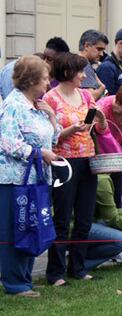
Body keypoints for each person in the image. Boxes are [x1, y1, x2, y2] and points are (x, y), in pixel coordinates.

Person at [43, 53, 104, 286]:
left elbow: (99, 130)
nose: (83, 76)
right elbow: (48, 137)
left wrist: (100, 121)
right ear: (67, 72)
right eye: (80, 71)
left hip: (88, 160)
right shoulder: (51, 98)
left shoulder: (86, 95)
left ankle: (77, 267)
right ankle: (55, 272)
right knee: (62, 216)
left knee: (84, 217)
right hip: (63, 162)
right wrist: (70, 131)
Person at [0, 55, 58, 298]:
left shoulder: (36, 105)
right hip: (15, 180)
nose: (48, 83)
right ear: (31, 80)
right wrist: (37, 153)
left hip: (36, 180)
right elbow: (6, 142)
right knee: (15, 229)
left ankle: (24, 279)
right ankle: (14, 283)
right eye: (45, 79)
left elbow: (50, 140)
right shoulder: (13, 105)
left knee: (31, 227)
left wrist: (53, 118)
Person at [1, 37, 70, 99]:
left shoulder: (66, 82)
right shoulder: (33, 76)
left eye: (49, 59)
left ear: (61, 60)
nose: (44, 61)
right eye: (44, 57)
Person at [78, 29, 109, 99]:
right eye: (99, 49)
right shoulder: (83, 64)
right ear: (86, 46)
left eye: (103, 50)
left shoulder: (78, 62)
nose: (101, 54)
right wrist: (102, 88)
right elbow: (90, 97)